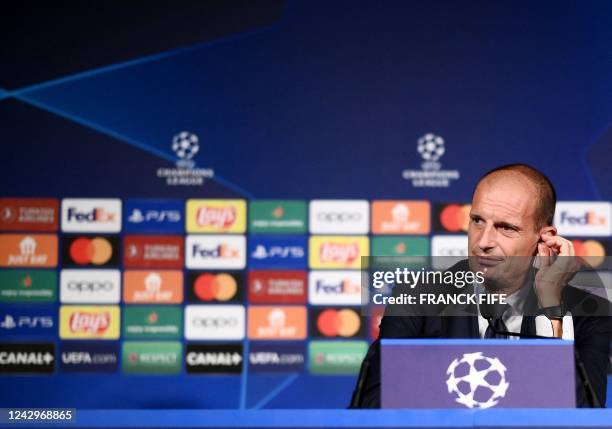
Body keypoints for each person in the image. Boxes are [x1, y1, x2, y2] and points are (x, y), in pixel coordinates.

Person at [353, 164, 611, 408]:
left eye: (505, 227)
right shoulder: (417, 297)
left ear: (544, 237)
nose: (484, 241)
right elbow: (373, 407)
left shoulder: (589, 314)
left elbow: (583, 414)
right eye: (477, 221)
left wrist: (551, 310)